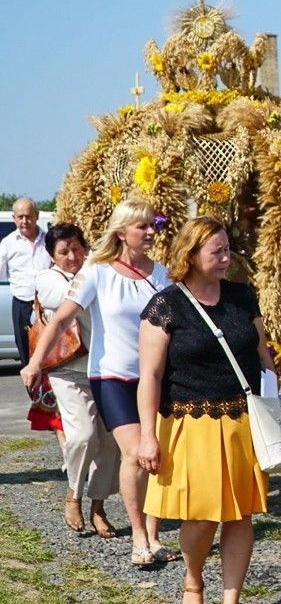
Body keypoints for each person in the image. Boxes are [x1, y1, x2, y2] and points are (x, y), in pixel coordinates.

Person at [21, 199, 176, 566]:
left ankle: (154, 535)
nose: (151, 231)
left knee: (159, 456)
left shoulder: (162, 275)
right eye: (142, 226)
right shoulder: (97, 270)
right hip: (112, 377)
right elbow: (61, 319)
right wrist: (35, 362)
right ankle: (138, 537)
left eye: (152, 225)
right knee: (135, 454)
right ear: (122, 232)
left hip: (156, 378)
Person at [136, 217, 272, 603]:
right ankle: (193, 581)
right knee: (200, 516)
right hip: (191, 423)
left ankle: (231, 599)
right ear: (191, 255)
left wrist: (280, 408)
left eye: (228, 249)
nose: (226, 257)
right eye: (217, 251)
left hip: (244, 422)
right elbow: (150, 376)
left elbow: (263, 356)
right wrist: (147, 435)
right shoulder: (166, 305)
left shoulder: (242, 296)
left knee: (240, 514)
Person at [35, 223, 120, 536]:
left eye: (76, 248)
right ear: (52, 256)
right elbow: (72, 298)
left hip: (106, 367)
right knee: (83, 436)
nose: (72, 256)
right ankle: (74, 494)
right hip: (68, 369)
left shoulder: (99, 269)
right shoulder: (48, 280)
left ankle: (98, 506)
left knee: (111, 442)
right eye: (63, 252)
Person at [1, 197, 51, 368]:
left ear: (37, 216)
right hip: (21, 305)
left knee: (52, 353)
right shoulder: (8, 243)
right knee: (25, 354)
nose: (24, 221)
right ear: (14, 218)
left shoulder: (50, 240)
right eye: (20, 217)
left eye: (28, 216)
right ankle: (31, 384)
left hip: (47, 305)